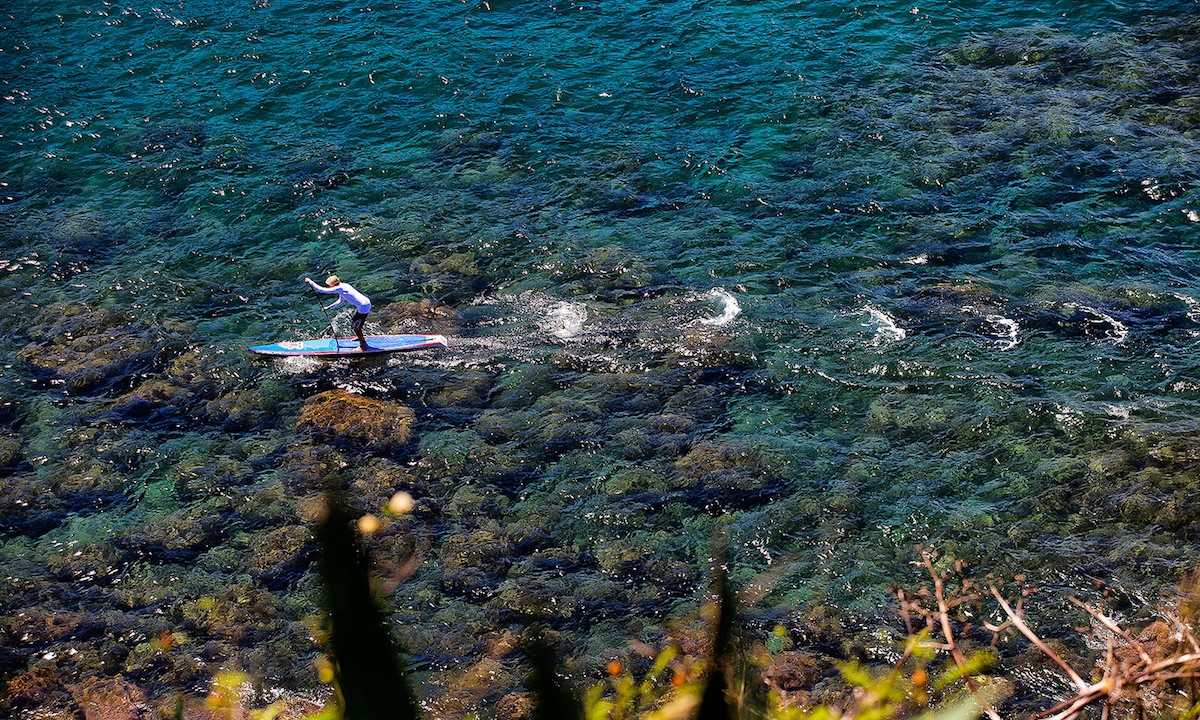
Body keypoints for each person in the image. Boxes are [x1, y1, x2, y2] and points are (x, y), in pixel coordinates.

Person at [304, 275, 372, 351]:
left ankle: (363, 345)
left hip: (364, 307)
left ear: (333, 284)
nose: (329, 287)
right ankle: (360, 337)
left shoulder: (339, 288)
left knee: (356, 326)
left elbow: (322, 290)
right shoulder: (344, 286)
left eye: (329, 285)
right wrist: (329, 307)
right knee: (355, 322)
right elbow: (341, 301)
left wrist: (310, 282)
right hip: (365, 303)